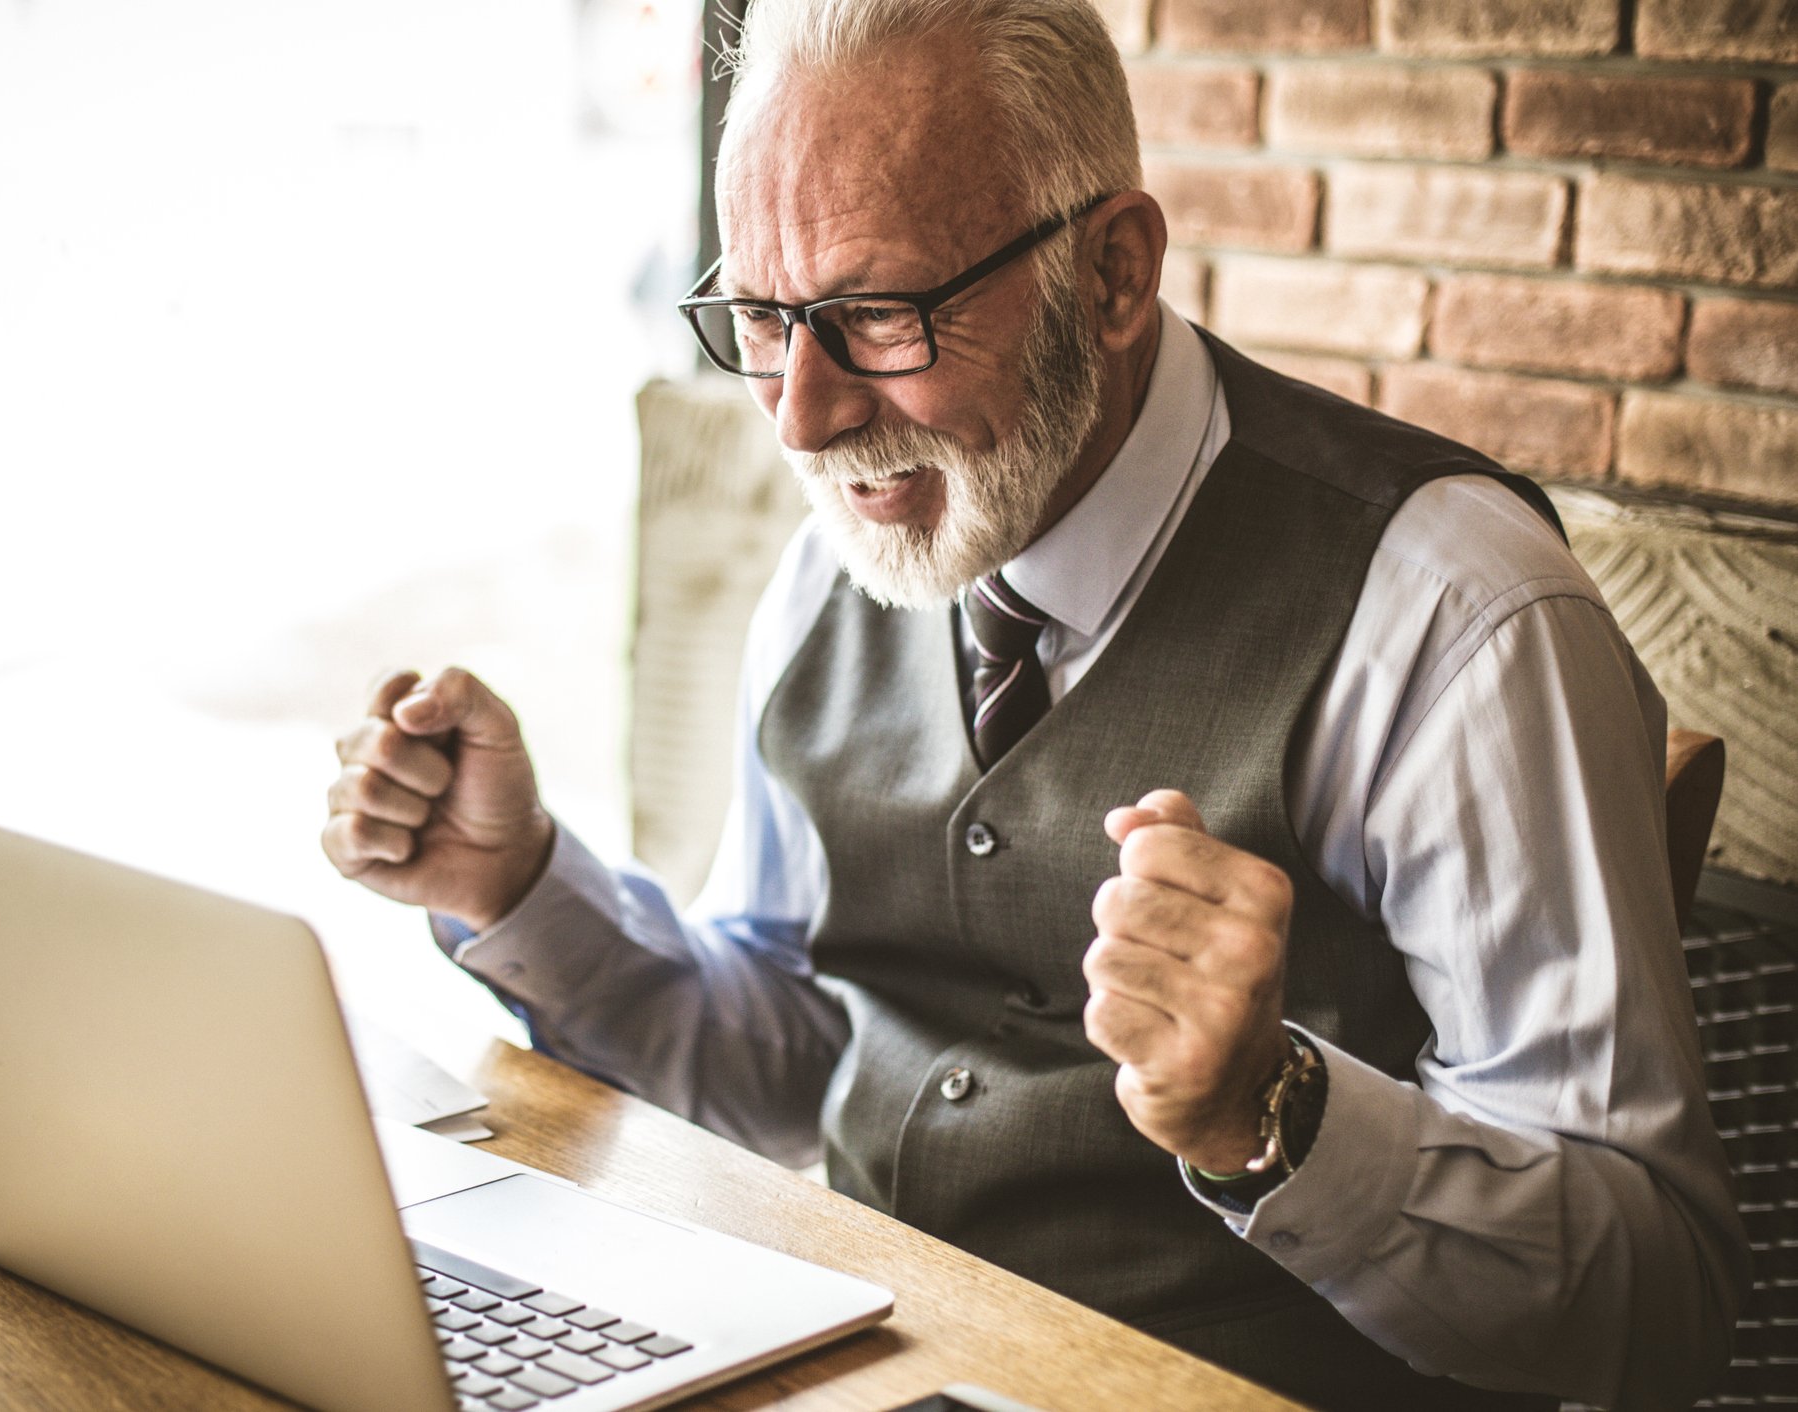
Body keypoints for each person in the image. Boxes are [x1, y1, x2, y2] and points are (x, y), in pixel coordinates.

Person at [321, 1, 1748, 1406]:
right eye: (761, 318)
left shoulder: (1454, 614)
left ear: (1114, 273)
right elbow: (793, 1055)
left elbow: (1657, 1302)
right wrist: (517, 888)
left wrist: (1278, 1120)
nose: (802, 418)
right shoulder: (847, 559)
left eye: (879, 314)